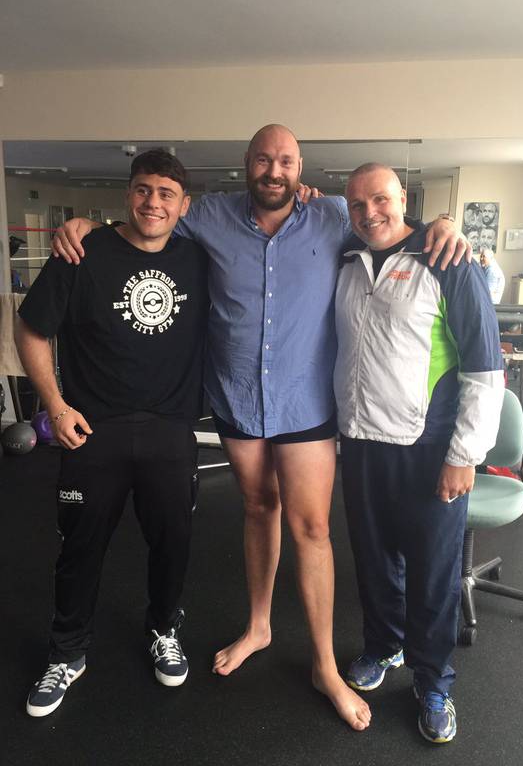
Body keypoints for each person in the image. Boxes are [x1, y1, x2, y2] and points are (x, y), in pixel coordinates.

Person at [52, 124, 469, 731]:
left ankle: (325, 666)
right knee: (257, 507)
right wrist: (87, 226)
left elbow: (389, 224)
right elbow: (149, 222)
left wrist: (444, 225)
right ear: (246, 164)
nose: (275, 171)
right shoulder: (208, 215)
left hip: (305, 403)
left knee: (312, 528)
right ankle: (259, 627)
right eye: (264, 160)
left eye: (287, 162)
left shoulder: (333, 215)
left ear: (301, 169)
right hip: (239, 399)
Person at [16, 150, 209, 717]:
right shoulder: (83, 251)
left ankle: (163, 627)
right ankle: (67, 652)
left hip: (170, 430)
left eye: (166, 193)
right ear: (128, 194)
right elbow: (30, 329)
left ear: (184, 205)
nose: (153, 202)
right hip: (92, 432)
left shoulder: (198, 258)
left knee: (173, 544)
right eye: (143, 189)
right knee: (79, 548)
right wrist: (55, 406)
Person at [335, 164, 504, 743]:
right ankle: (384, 645)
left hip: (429, 447)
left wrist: (465, 454)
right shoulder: (347, 259)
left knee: (432, 572)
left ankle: (434, 680)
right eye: (357, 205)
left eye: (380, 200)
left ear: (402, 198)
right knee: (374, 559)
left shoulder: (446, 260)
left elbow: (485, 367)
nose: (369, 213)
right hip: (361, 442)